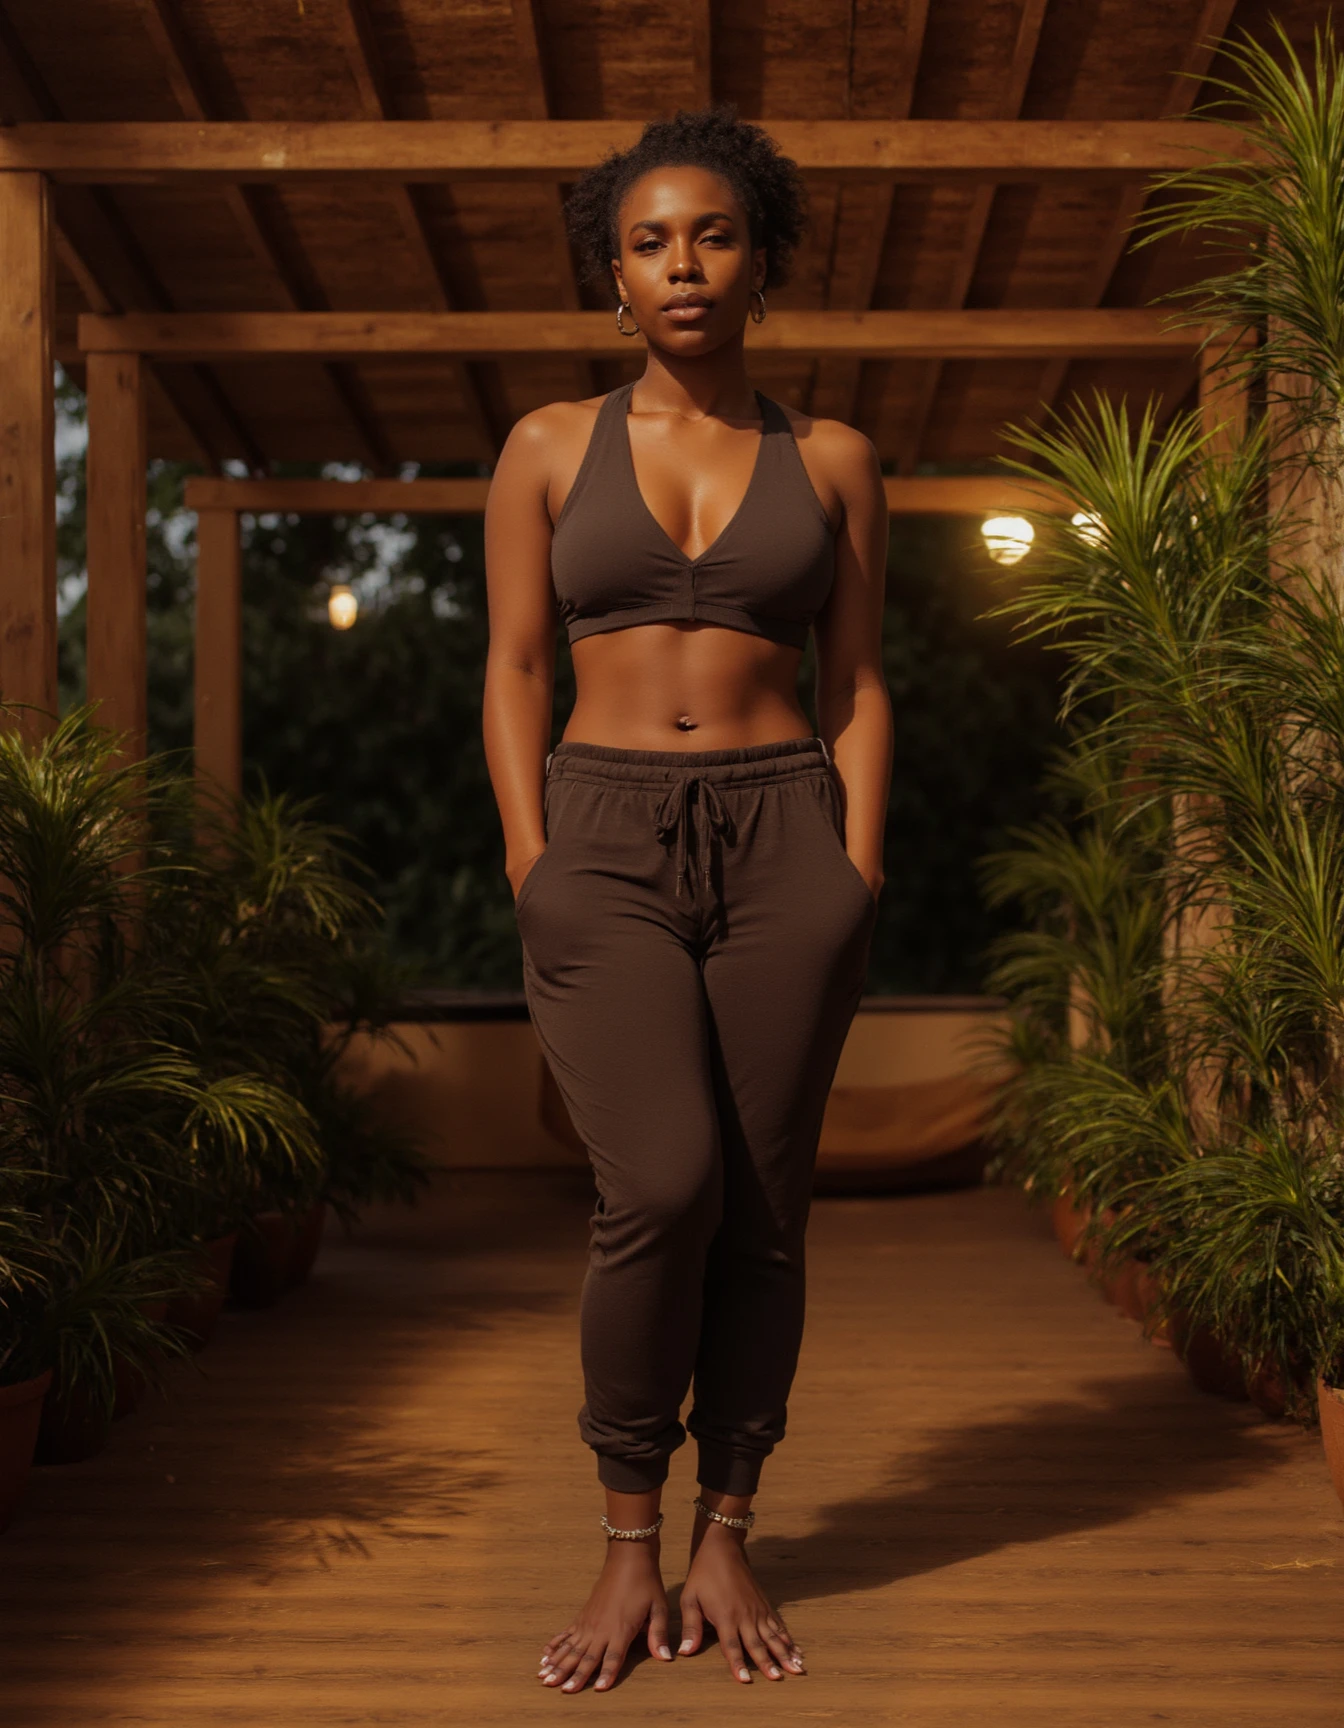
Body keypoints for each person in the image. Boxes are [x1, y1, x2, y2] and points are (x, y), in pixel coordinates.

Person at [482, 106, 892, 1694]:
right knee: (658, 1182)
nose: (683, 263)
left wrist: (858, 864)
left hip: (788, 833)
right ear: (613, 282)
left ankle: (731, 1520)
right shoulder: (543, 447)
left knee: (767, 1202)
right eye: (650, 241)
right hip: (599, 835)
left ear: (762, 261)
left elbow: (858, 681)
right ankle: (626, 1531)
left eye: (713, 233)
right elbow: (516, 665)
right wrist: (531, 854)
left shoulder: (837, 461)